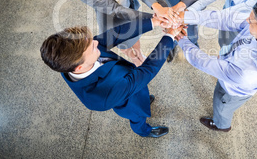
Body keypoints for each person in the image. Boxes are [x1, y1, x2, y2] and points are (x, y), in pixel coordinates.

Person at [40, 16, 183, 138]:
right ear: (80, 67)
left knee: (141, 94)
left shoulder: (74, 59)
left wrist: (154, 21)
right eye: (93, 48)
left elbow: (116, 34)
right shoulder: (105, 94)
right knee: (138, 117)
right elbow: (147, 70)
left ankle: (144, 98)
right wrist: (169, 36)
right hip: (128, 102)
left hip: (129, 83)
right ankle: (144, 131)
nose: (97, 42)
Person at [177, 0, 257, 132]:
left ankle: (221, 125)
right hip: (231, 64)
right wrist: (185, 17)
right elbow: (226, 19)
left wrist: (181, 38)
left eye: (251, 22)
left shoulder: (247, 73)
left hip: (233, 90)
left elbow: (203, 62)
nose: (246, 20)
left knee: (222, 106)